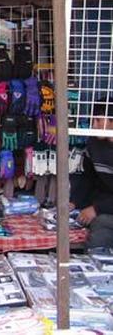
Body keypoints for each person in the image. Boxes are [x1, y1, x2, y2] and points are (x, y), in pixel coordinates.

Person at [71, 98, 113, 248]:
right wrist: (74, 201)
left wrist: (97, 209)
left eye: (98, 120)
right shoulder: (94, 144)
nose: (93, 125)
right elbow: (87, 178)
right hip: (101, 206)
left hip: (105, 211)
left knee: (101, 224)